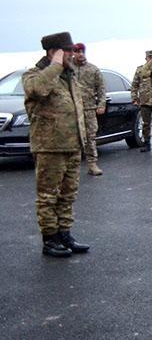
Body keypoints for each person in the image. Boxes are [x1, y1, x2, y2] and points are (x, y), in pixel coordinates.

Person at [22, 32, 90, 258]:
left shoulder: (69, 76)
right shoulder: (35, 75)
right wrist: (55, 65)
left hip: (71, 145)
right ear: (54, 52)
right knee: (48, 195)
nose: (73, 54)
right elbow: (38, 90)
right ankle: (50, 239)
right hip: (49, 145)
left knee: (68, 194)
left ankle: (64, 234)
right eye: (68, 50)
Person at [72, 42, 106, 176]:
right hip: (72, 109)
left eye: (82, 51)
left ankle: (92, 164)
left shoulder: (93, 69)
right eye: (77, 51)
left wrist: (101, 104)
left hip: (89, 108)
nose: (80, 54)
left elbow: (101, 89)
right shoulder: (68, 69)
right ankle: (72, 167)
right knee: (72, 139)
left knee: (90, 137)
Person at [131, 49, 152, 152]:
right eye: (149, 57)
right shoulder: (140, 70)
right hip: (145, 101)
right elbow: (134, 85)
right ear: (146, 58)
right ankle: (146, 143)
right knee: (146, 123)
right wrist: (134, 98)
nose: (151, 59)